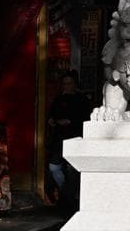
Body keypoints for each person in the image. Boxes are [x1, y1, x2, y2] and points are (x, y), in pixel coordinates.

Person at [47, 70, 90, 208]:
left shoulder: (82, 99)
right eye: (64, 84)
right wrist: (52, 120)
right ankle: (66, 193)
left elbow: (86, 118)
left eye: (69, 83)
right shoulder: (58, 99)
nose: (66, 86)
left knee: (72, 170)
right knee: (54, 167)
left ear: (74, 84)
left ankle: (71, 197)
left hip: (75, 137)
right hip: (59, 138)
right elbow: (51, 114)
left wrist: (70, 122)